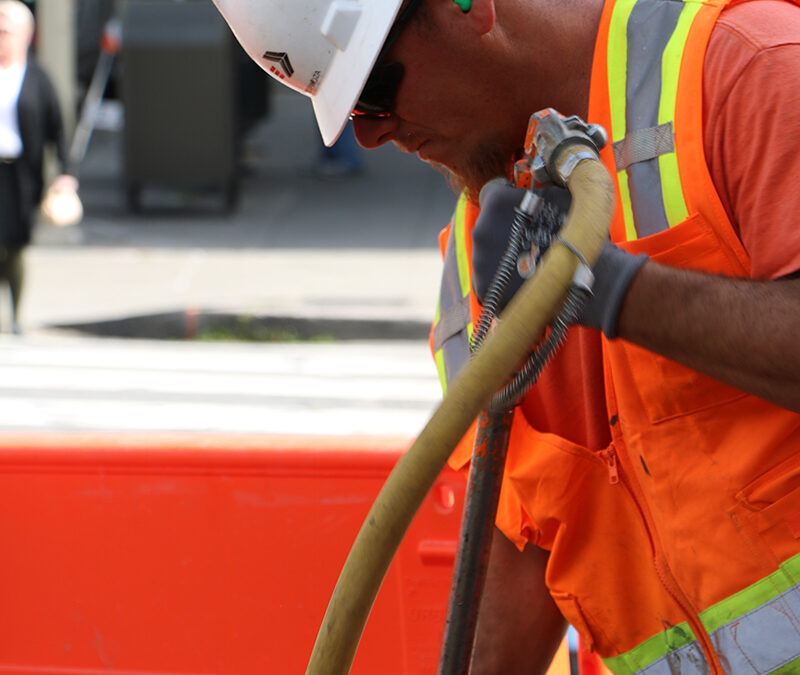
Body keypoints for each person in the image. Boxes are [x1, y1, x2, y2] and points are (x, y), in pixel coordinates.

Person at [212, 0, 800, 671]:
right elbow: (524, 547)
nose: (373, 135)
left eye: (375, 86)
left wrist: (611, 289)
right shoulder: (478, 269)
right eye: (352, 112)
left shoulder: (745, 67)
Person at [0, 0, 75, 333]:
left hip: (20, 172)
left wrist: (65, 173)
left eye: (5, 31)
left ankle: (15, 313)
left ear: (25, 36)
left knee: (15, 241)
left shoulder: (36, 78)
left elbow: (57, 129)